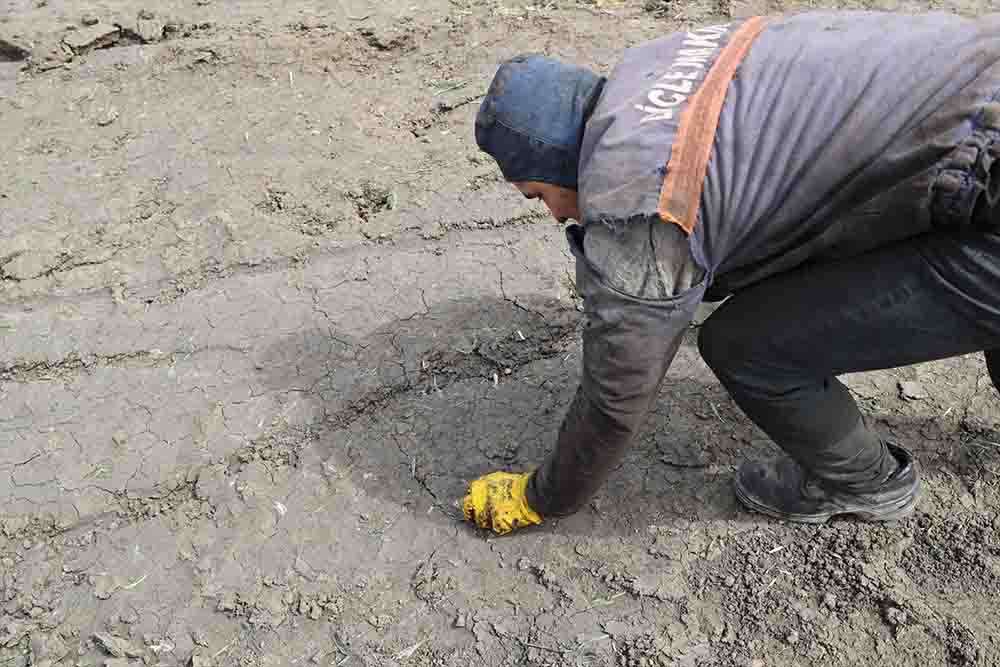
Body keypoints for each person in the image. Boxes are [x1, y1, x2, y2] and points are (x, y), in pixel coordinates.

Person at [460, 10, 1000, 535]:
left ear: (554, 163)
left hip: (982, 190)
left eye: (539, 195)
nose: (557, 215)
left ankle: (866, 483)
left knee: (743, 346)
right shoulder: (658, 61)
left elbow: (616, 399)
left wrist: (541, 496)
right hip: (979, 100)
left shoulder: (637, 199)